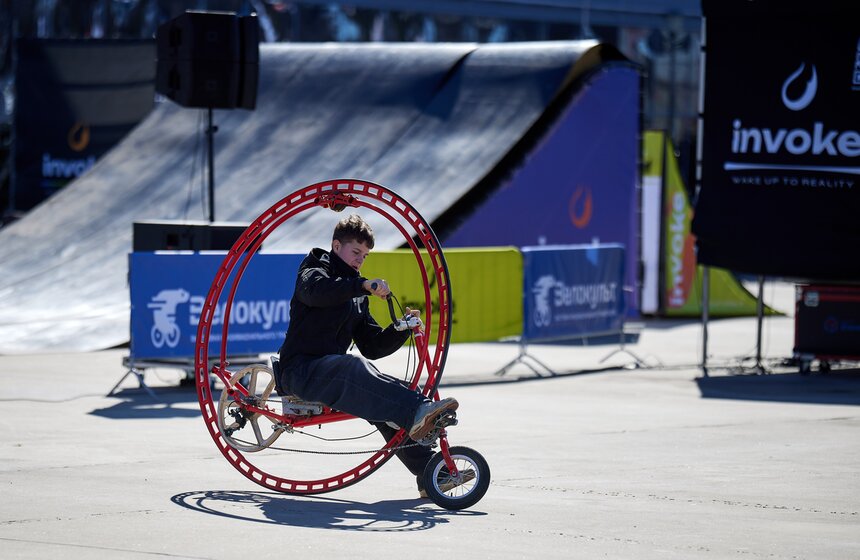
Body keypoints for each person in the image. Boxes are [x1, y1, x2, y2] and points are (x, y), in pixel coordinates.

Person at [277, 214, 461, 495]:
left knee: (383, 397)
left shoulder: (357, 292)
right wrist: (360, 285)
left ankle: (431, 473)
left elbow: (372, 346)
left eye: (364, 255)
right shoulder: (315, 269)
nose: (360, 260)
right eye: (356, 252)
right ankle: (418, 411)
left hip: (331, 375)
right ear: (336, 246)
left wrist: (400, 328)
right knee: (352, 369)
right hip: (300, 371)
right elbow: (316, 293)